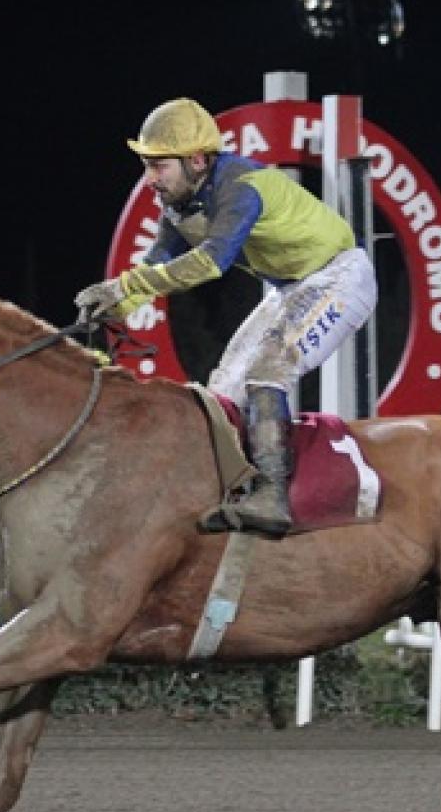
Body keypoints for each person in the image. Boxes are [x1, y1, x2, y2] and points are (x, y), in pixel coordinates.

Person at [75, 97, 377, 536]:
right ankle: (232, 489)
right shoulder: (179, 202)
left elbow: (211, 262)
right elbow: (156, 263)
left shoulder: (241, 186)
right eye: (146, 165)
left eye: (159, 165)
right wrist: (113, 305)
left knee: (267, 371)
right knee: (224, 390)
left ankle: (273, 495)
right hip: (290, 287)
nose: (150, 179)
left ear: (197, 159)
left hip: (339, 277)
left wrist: (124, 289)